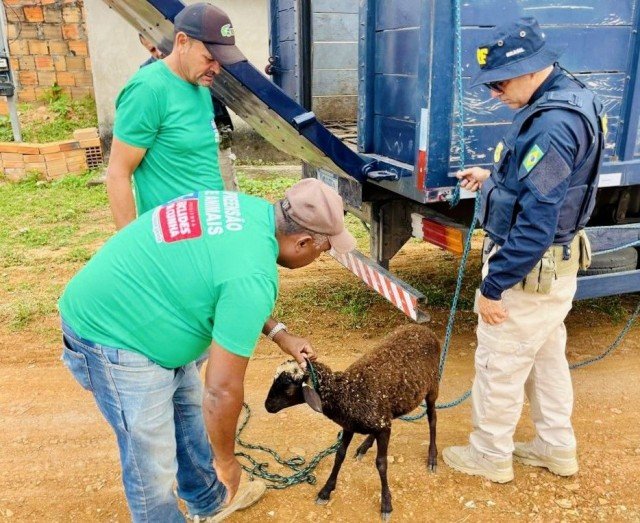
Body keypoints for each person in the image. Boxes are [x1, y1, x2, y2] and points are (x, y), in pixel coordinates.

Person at [59, 178, 357, 522]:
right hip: (113, 336)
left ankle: (208, 500)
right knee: (151, 463)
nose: (319, 258)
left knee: (189, 420)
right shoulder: (253, 275)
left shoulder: (243, 210)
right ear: (302, 242)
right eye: (322, 250)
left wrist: (279, 334)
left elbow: (225, 282)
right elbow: (221, 389)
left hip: (143, 316)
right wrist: (227, 462)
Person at [443, 18, 606, 483]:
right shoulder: (571, 97)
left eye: (500, 82)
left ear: (533, 69)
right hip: (554, 271)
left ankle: (489, 455)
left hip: (529, 272)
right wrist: (492, 179)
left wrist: (494, 287)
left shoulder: (551, 126)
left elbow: (537, 223)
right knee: (545, 360)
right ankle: (556, 447)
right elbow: (549, 186)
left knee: (500, 363)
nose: (494, 93)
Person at [107, 2, 243, 231]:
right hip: (174, 239)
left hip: (210, 230)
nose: (216, 69)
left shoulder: (199, 84)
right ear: (182, 42)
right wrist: (131, 243)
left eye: (220, 60)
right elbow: (118, 173)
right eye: (209, 58)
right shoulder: (148, 89)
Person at [136, 30, 240, 192]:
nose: (159, 53)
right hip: (179, 148)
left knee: (225, 184)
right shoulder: (146, 78)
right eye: (152, 50)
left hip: (214, 132)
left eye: (159, 46)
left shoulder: (197, 65)